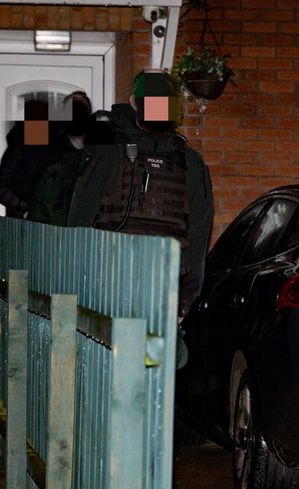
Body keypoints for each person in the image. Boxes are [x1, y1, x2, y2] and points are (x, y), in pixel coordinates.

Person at [86, 69, 214, 318]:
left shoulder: (190, 163)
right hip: (108, 289)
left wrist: (185, 303)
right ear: (135, 104)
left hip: (163, 293)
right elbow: (79, 222)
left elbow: (198, 237)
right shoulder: (110, 153)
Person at [0, 92, 91, 219]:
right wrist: (30, 208)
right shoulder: (37, 137)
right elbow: (2, 187)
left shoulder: (93, 151)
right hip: (24, 225)